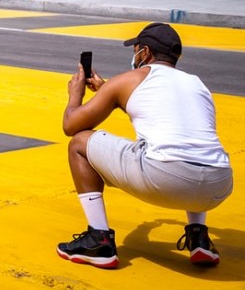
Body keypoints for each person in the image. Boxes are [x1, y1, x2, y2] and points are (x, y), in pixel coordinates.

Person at [56, 22, 233, 270]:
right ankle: (198, 235)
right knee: (188, 146)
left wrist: (75, 94)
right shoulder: (196, 84)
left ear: (145, 52)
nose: (134, 55)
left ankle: (99, 239)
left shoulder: (129, 79)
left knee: (79, 143)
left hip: (166, 178)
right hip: (219, 183)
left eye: (135, 49)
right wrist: (107, 89)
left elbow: (71, 125)